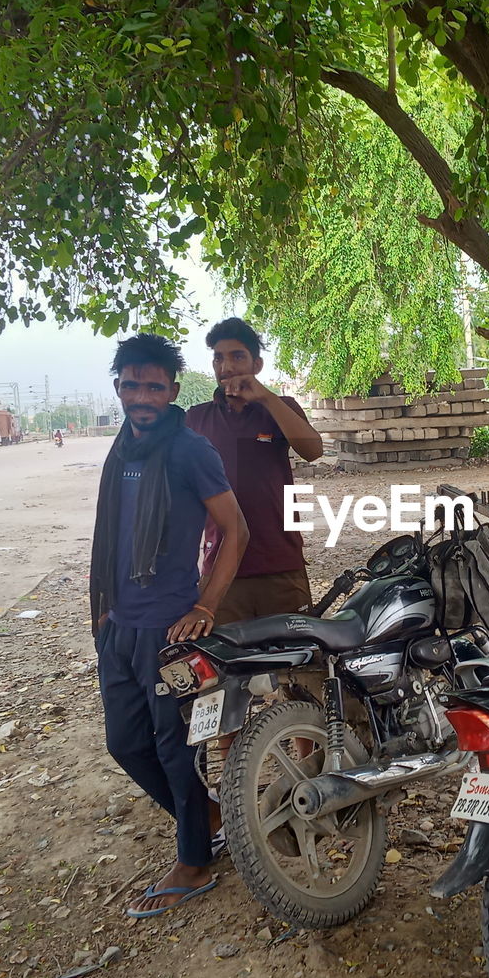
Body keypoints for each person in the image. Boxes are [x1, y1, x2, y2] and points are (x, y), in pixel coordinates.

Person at [90, 334, 248, 918]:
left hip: (169, 630)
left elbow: (237, 531)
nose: (142, 396)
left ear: (174, 390)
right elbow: (110, 531)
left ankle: (196, 859)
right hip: (120, 627)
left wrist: (204, 607)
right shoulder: (120, 450)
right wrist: (105, 609)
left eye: (154, 385)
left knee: (174, 748)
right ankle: (205, 817)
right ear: (119, 388)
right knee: (125, 743)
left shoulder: (189, 450)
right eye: (132, 384)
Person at [185, 317, 323, 621]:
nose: (227, 366)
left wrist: (266, 397)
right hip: (221, 571)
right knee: (228, 665)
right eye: (219, 358)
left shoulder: (280, 408)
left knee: (297, 662)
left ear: (257, 364)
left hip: (281, 564)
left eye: (237, 356)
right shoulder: (196, 419)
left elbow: (313, 451)